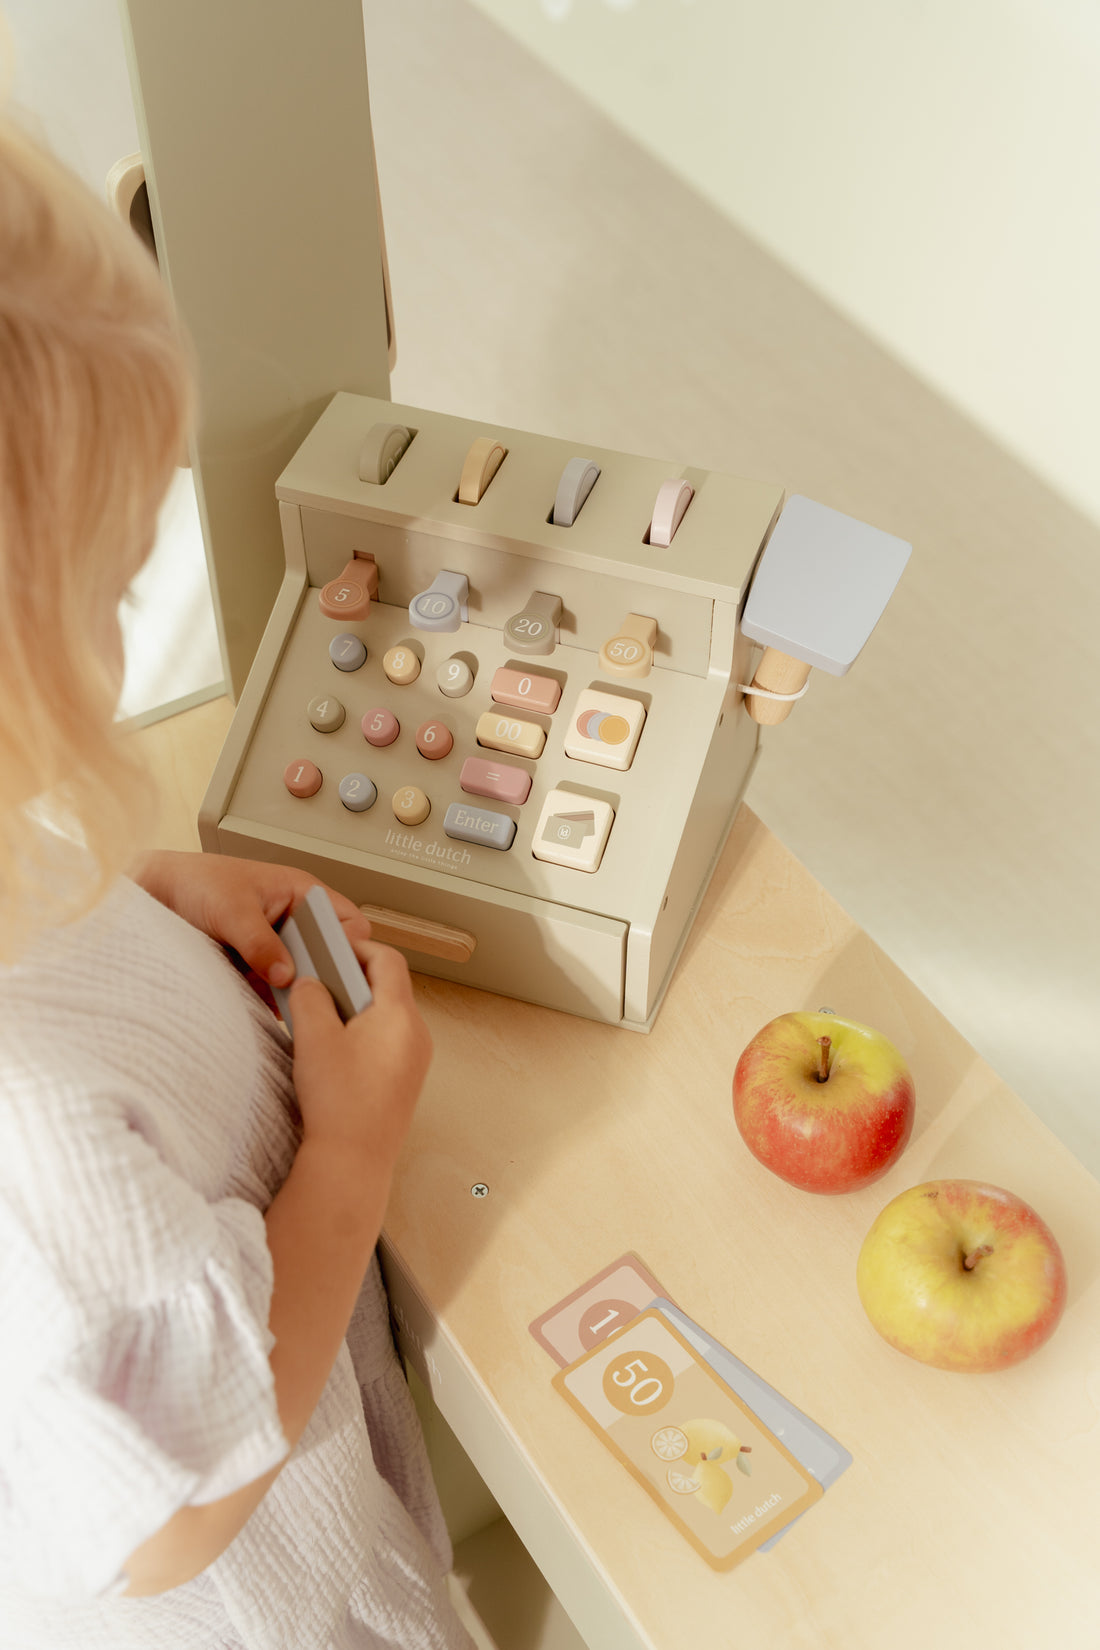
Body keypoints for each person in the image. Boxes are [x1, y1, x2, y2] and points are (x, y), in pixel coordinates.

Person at [0, 111, 474, 1650]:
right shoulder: (27, 1136)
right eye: (111, 586)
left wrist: (137, 889)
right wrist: (350, 1156)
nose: (125, 621)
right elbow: (171, 1516)